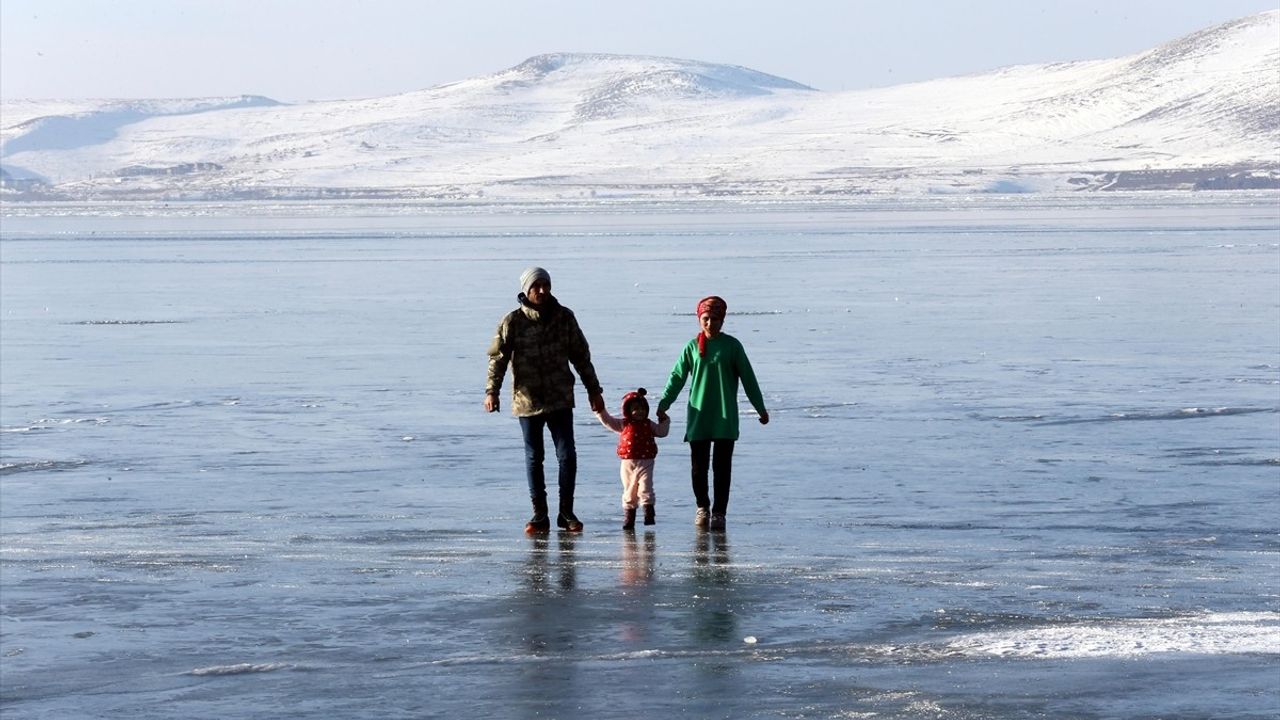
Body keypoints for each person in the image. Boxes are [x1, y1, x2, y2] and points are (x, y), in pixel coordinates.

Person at [486, 267, 605, 534]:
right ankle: (540, 514)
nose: (542, 290)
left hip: (560, 398)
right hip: (527, 401)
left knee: (567, 456)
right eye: (536, 286)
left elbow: (581, 357)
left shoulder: (564, 318)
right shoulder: (512, 322)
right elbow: (498, 360)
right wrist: (491, 392)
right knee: (534, 457)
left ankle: (566, 512)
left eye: (545, 285)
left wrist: (594, 390)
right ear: (526, 289)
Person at [656, 296, 769, 531]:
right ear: (700, 320)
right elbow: (677, 377)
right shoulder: (691, 347)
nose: (710, 324)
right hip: (699, 416)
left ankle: (719, 512)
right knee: (698, 468)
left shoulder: (732, 346)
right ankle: (702, 507)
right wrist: (664, 403)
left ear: (722, 320)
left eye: (715, 319)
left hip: (725, 417)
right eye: (706, 319)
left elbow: (749, 379)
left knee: (722, 468)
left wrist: (760, 408)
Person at [594, 387, 671, 529]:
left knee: (646, 487)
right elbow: (608, 421)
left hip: (646, 462)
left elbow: (662, 432)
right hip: (628, 463)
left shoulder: (649, 424)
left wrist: (664, 420)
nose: (640, 412)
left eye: (642, 409)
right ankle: (629, 518)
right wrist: (600, 411)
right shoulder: (624, 424)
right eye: (636, 409)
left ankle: (649, 512)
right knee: (629, 489)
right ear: (628, 411)